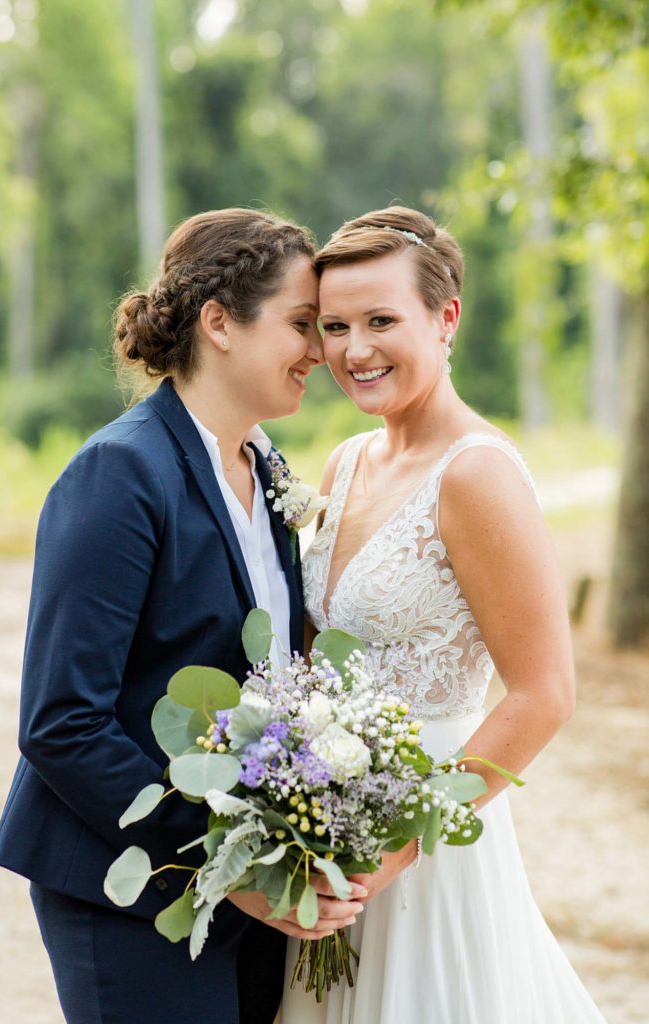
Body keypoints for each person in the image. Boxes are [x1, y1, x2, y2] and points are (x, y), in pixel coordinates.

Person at [0, 207, 364, 1024]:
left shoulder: (268, 470)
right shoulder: (119, 475)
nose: (319, 351)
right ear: (219, 323)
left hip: (247, 886)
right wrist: (233, 867)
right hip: (126, 888)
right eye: (301, 324)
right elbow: (62, 722)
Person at [279, 206, 607, 1022]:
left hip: (429, 839)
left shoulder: (477, 474)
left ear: (446, 316)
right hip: (328, 827)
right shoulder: (348, 460)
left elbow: (544, 694)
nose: (354, 351)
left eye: (382, 320)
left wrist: (388, 852)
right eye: (335, 326)